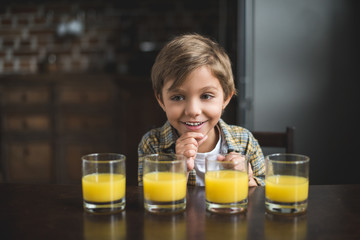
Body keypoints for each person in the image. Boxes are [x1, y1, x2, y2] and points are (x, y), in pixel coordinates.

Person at [137, 33, 265, 187]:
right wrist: (179, 168)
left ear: (226, 98)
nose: (193, 111)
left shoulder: (245, 142)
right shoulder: (152, 145)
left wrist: (248, 179)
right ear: (161, 101)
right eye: (177, 97)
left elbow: (263, 194)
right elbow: (150, 199)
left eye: (206, 96)